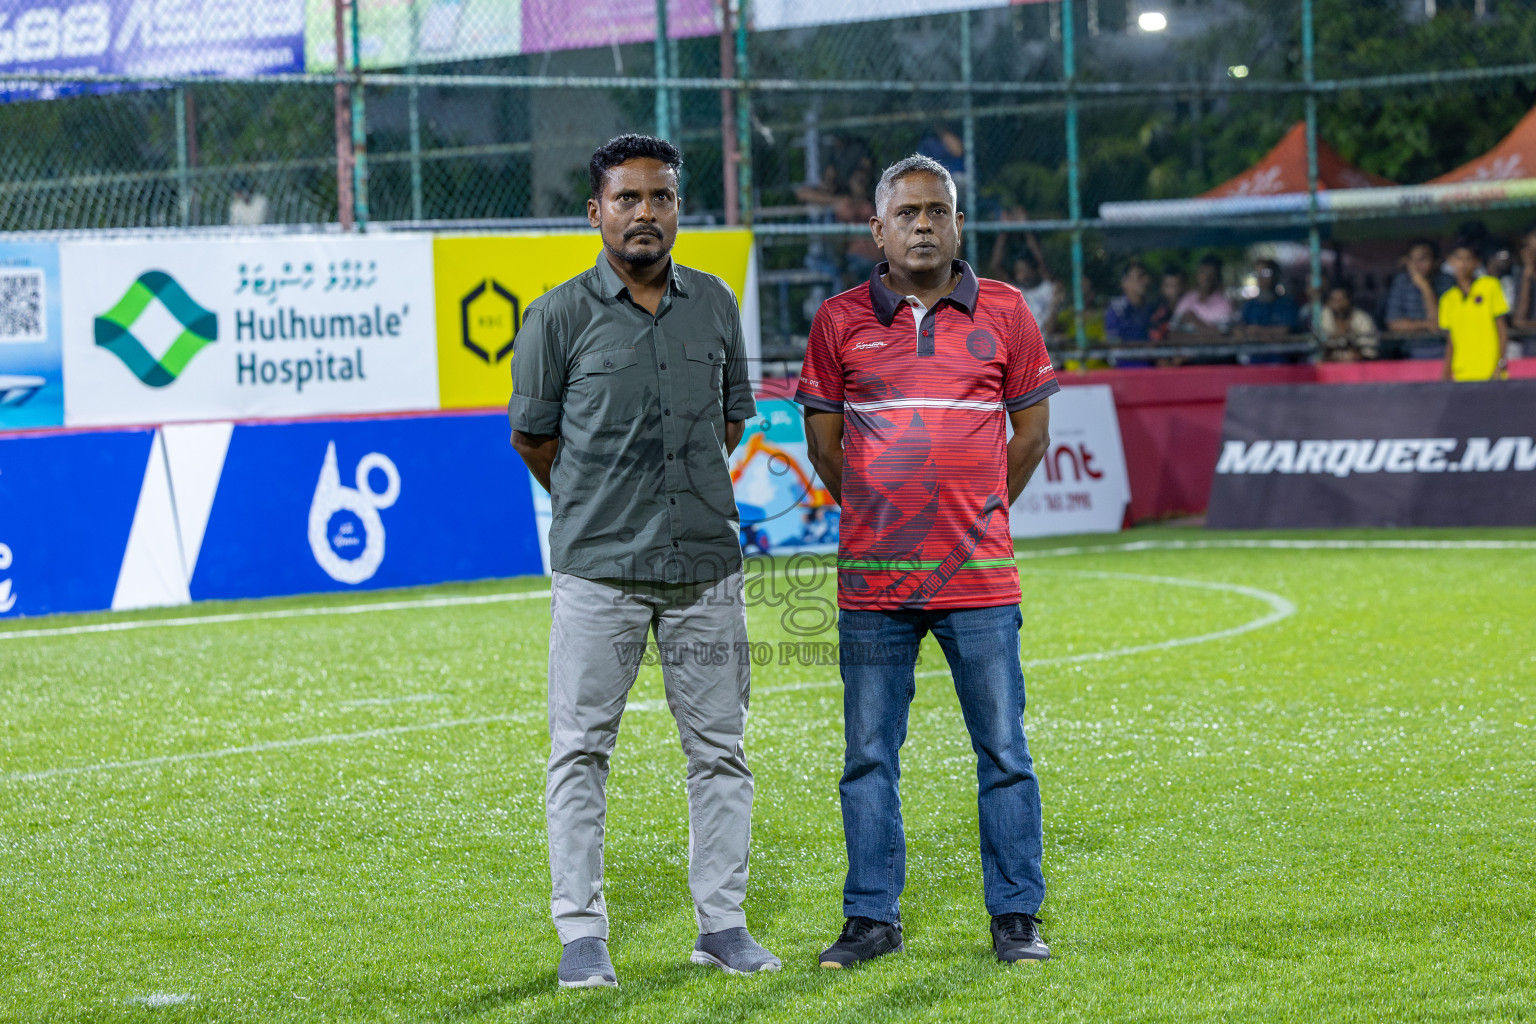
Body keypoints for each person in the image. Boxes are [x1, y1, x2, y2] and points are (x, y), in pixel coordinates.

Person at [508, 134, 778, 989]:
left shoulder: (716, 303)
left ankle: (722, 925)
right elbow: (534, 438)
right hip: (597, 571)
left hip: (705, 564)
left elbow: (732, 422)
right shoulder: (555, 316)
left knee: (720, 752)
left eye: (660, 197)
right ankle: (582, 934)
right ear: (597, 212)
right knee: (581, 750)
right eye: (627, 199)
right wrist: (605, 510)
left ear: (677, 208)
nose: (645, 213)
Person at [795, 154, 1056, 969]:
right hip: (876, 584)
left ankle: (1016, 916)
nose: (922, 224)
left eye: (937, 211)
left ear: (958, 224)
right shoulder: (838, 321)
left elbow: (1033, 438)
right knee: (869, 757)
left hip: (981, 582)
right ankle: (872, 919)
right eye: (906, 213)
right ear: (876, 230)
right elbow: (826, 451)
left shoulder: (1008, 312)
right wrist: (888, 520)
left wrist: (974, 515)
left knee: (1004, 753)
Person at [1439, 238, 1511, 382]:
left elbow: (1502, 330)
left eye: (1468, 259)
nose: (1462, 264)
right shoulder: (1447, 299)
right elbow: (1451, 342)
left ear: (1476, 262)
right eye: (1458, 258)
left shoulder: (1490, 286)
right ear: (1451, 261)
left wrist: (1500, 363)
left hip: (1491, 371)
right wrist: (1446, 375)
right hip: (1462, 373)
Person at [988, 207, 1055, 333]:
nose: (1021, 275)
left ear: (1033, 270)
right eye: (1018, 271)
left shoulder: (1046, 288)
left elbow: (1040, 261)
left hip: (1042, 342)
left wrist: (1026, 229)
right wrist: (1004, 231)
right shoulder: (1014, 291)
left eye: (1024, 270)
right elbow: (995, 266)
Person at [1383, 239, 1454, 339]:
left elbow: (1439, 323)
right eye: (1412, 260)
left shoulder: (1446, 281)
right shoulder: (1401, 281)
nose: (1416, 265)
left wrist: (1425, 287)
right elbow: (1393, 322)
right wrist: (1426, 324)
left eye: (1422, 259)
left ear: (1435, 261)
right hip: (1411, 349)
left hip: (1442, 344)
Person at [1238, 259, 1301, 340]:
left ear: (1275, 275)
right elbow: (1240, 330)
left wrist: (1257, 331)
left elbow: (1286, 330)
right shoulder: (1249, 306)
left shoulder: (1288, 304)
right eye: (1257, 274)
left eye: (1265, 273)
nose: (1261, 278)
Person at [1319, 282, 1380, 362]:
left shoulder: (1362, 319)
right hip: (1330, 367)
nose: (1337, 304)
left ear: (1349, 300)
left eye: (1341, 299)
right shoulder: (1324, 317)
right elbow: (1320, 351)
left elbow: (1370, 353)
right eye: (1333, 300)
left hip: (1359, 367)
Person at [1172, 255, 1233, 334]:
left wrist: (1196, 322)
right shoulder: (1188, 298)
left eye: (1210, 274)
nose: (1205, 278)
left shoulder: (1224, 305)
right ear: (1197, 275)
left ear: (1217, 278)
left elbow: (1222, 336)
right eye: (1202, 272)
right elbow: (1173, 332)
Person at [1150, 265, 1186, 344]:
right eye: (1169, 286)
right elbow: (1156, 342)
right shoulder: (1158, 317)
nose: (1174, 290)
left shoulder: (1192, 312)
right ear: (1162, 289)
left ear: (1184, 286)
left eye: (1177, 285)